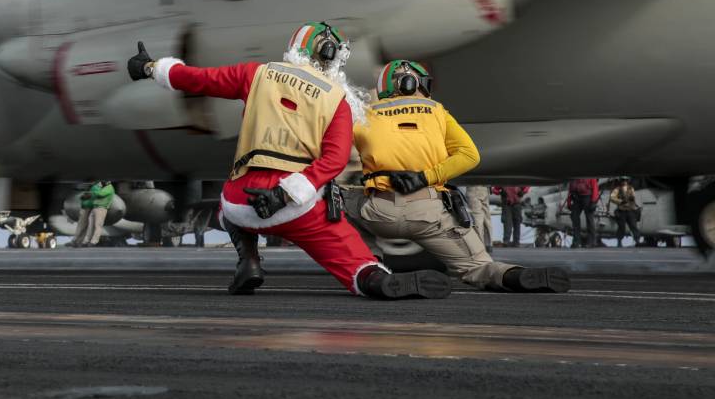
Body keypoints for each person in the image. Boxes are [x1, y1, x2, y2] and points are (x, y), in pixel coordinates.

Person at [128, 22, 451, 300]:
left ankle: (249, 262)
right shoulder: (337, 100)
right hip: (300, 204)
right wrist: (286, 193)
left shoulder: (257, 74)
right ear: (332, 57)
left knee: (224, 209)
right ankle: (376, 281)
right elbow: (335, 160)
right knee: (356, 263)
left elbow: (197, 79)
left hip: (243, 200)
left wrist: (151, 67)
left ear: (297, 47)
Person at [353, 59, 569, 293]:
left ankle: (371, 268)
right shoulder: (436, 111)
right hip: (430, 214)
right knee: (478, 266)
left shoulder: (366, 115)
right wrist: (426, 177)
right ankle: (513, 276)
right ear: (412, 82)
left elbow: (334, 152)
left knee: (334, 203)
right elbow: (470, 155)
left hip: (378, 211)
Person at [77, 180, 114, 246]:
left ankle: (94, 241)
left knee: (98, 225)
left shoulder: (109, 188)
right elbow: (96, 195)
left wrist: (94, 189)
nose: (101, 183)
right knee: (90, 226)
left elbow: (100, 194)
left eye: (103, 181)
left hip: (101, 208)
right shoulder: (103, 188)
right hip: (95, 208)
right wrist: (89, 195)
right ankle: (86, 241)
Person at [608, 178, 642, 247]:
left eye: (626, 180)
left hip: (630, 210)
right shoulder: (617, 189)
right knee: (621, 227)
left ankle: (637, 240)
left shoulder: (631, 188)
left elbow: (633, 197)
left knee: (633, 226)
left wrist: (632, 199)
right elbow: (612, 197)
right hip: (622, 210)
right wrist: (620, 201)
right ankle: (619, 241)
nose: (624, 181)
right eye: (623, 180)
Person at [567, 178, 599, 248]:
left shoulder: (590, 175)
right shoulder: (574, 175)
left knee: (589, 219)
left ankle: (592, 242)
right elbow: (570, 188)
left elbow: (595, 187)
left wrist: (593, 201)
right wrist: (569, 202)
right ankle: (576, 242)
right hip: (576, 197)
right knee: (575, 218)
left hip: (587, 197)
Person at [466, 186, 493, 253]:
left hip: (474, 187)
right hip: (485, 188)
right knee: (486, 218)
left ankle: (479, 245)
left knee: (477, 218)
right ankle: (488, 244)